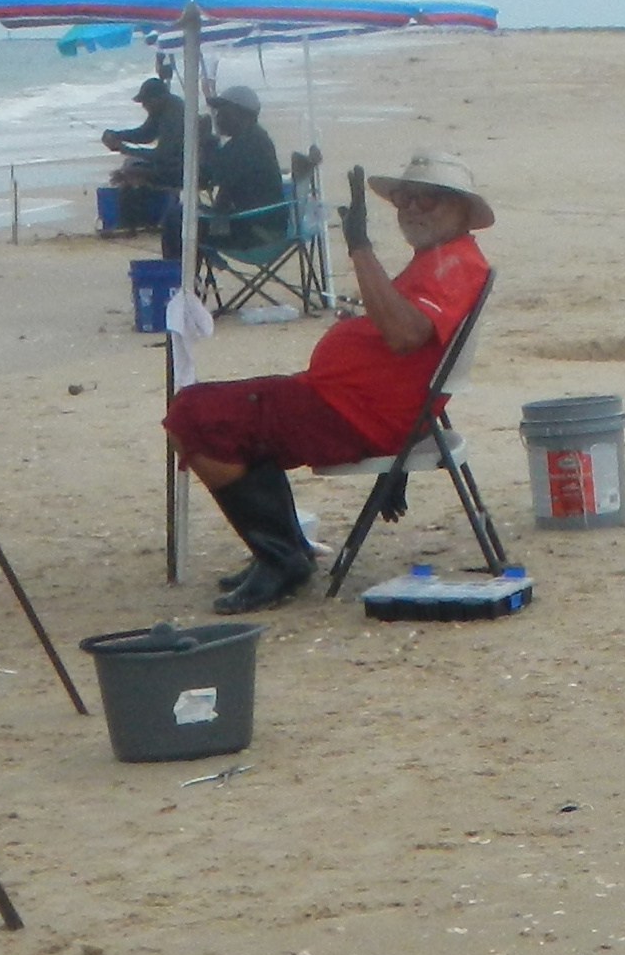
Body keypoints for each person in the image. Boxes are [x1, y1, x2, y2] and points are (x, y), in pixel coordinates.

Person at [165, 153, 492, 612]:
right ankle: (284, 548)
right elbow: (408, 337)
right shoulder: (439, 258)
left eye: (428, 198)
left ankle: (282, 557)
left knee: (193, 415)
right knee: (218, 409)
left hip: (353, 414)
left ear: (461, 208)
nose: (412, 207)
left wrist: (360, 247)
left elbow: (405, 335)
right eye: (405, 197)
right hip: (350, 402)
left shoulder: (452, 264)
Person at [193, 82, 292, 256]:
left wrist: (204, 140)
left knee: (180, 222)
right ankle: (187, 272)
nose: (218, 117)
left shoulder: (247, 145)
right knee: (189, 219)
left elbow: (204, 178)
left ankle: (179, 273)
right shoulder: (254, 139)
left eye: (223, 111)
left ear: (242, 114)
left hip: (256, 232)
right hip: (260, 223)